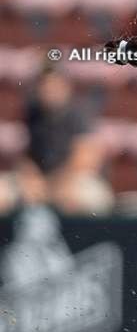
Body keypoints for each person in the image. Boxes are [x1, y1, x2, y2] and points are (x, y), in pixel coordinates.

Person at [5, 62, 111, 217]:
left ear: (65, 86)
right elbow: (24, 155)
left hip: (71, 178)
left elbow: (87, 159)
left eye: (53, 84)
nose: (48, 89)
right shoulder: (32, 112)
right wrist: (30, 177)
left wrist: (53, 184)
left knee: (88, 198)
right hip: (40, 181)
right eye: (44, 84)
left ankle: (82, 241)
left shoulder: (79, 112)